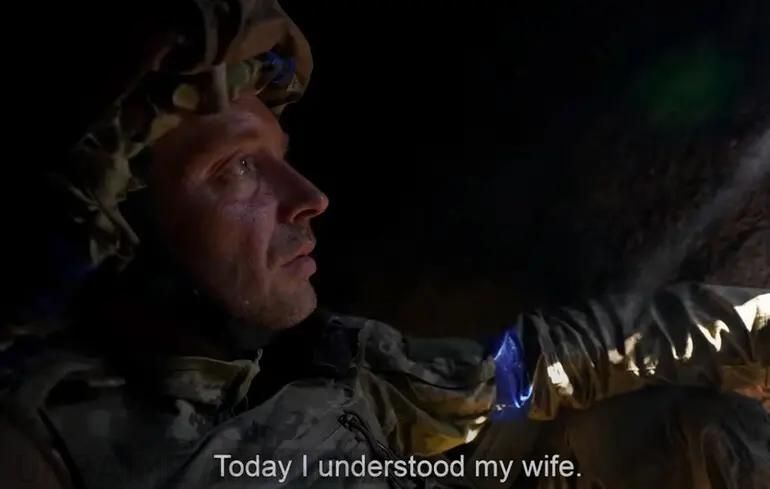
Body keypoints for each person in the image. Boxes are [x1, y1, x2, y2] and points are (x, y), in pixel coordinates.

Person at [1, 1, 768, 488]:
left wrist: (755, 320)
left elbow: (534, 363)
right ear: (122, 225)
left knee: (695, 427)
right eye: (236, 168)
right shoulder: (53, 442)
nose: (309, 198)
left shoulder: (338, 380)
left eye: (280, 157)